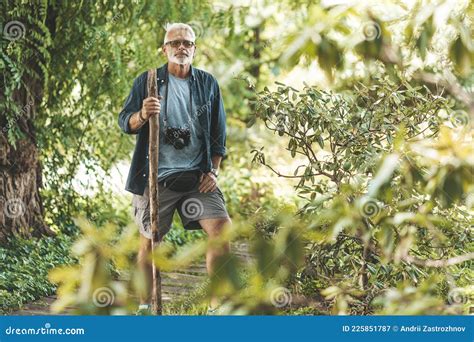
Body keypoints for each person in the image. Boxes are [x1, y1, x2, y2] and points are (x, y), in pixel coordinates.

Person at [118, 23, 231, 315]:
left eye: (187, 43)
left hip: (197, 178)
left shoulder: (208, 83)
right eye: (175, 42)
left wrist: (213, 171)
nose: (182, 47)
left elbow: (219, 133)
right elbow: (124, 122)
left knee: (222, 232)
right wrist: (143, 114)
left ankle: (217, 310)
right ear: (165, 49)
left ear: (194, 48)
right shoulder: (147, 80)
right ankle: (144, 307)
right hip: (155, 178)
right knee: (149, 244)